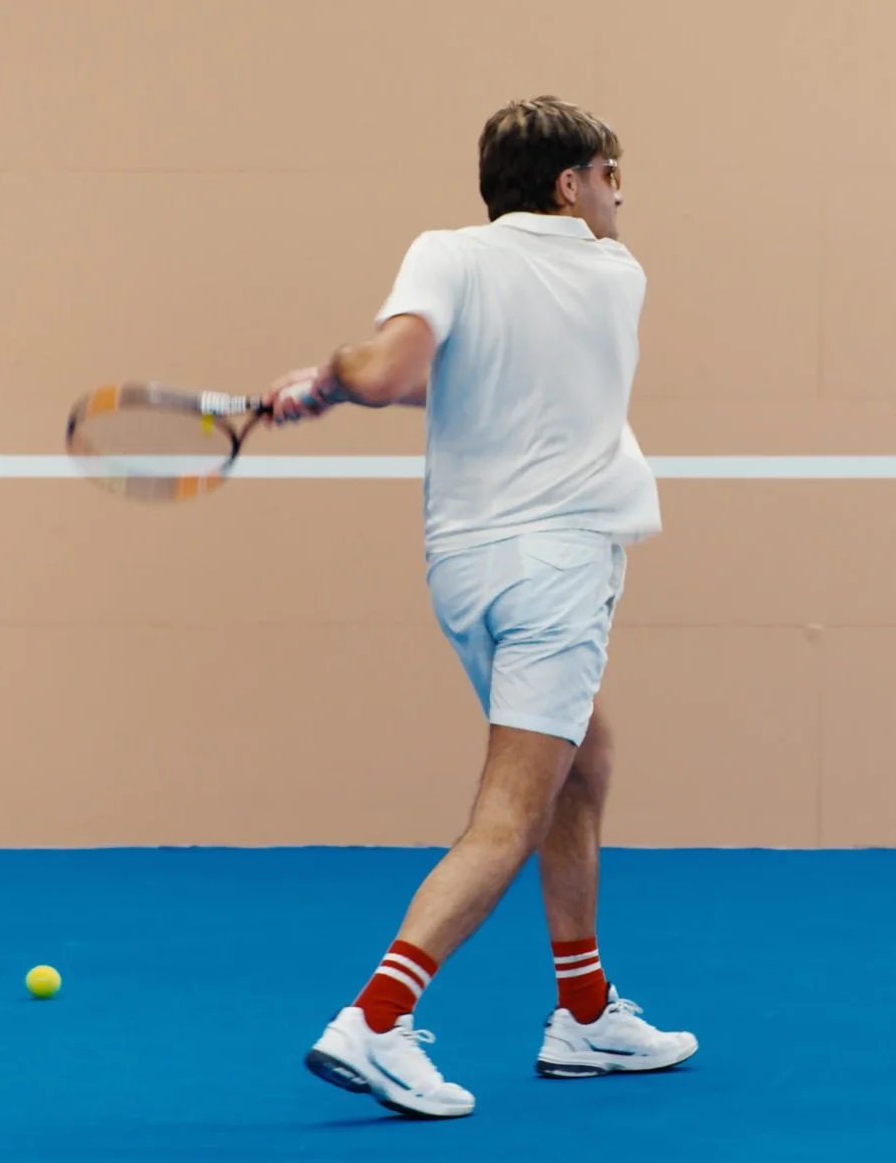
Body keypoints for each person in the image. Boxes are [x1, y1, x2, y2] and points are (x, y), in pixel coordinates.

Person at [267, 96, 696, 1120]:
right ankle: (374, 1019)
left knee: (581, 760)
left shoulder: (450, 254)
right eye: (607, 173)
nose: (618, 193)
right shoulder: (613, 272)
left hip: (465, 568)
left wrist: (326, 382)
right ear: (568, 185)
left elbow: (405, 371)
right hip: (554, 572)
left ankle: (585, 1014)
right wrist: (345, 376)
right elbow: (406, 373)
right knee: (509, 814)